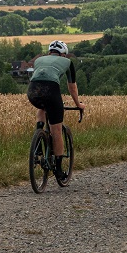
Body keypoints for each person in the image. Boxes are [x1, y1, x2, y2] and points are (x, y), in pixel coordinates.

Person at [27, 40, 85, 181]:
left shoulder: (39, 60)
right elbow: (72, 87)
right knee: (57, 130)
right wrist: (79, 104)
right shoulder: (67, 62)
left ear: (49, 52)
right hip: (51, 91)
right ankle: (58, 170)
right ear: (63, 54)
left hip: (32, 90)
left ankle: (39, 135)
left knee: (42, 106)